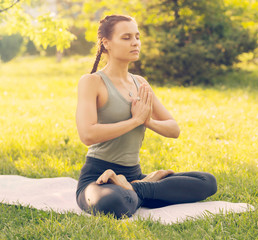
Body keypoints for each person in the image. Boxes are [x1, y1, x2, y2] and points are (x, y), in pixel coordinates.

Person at [75, 14, 217, 219]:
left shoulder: (140, 83)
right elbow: (87, 134)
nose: (135, 42)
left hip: (134, 174)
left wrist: (147, 121)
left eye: (137, 37)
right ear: (107, 43)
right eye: (126, 38)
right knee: (113, 202)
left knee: (207, 182)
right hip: (97, 178)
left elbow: (173, 129)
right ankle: (139, 189)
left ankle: (135, 188)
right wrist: (135, 121)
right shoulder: (92, 82)